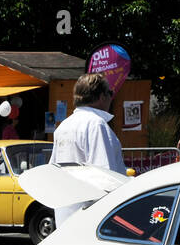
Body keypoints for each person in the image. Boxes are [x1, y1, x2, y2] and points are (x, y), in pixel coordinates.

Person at [49, 73, 126, 227]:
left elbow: (54, 170)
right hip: (92, 216)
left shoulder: (64, 126)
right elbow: (106, 175)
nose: (112, 97)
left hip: (66, 213)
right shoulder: (96, 124)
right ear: (101, 97)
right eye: (110, 93)